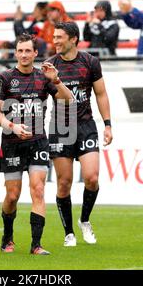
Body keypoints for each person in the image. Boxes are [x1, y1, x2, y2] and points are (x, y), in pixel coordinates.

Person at [0, 34, 73, 255]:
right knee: (13, 195)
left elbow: (68, 101)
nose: (24, 55)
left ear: (36, 53)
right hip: (11, 144)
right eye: (20, 51)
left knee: (38, 189)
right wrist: (12, 126)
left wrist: (56, 80)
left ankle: (36, 244)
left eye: (28, 51)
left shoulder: (45, 77)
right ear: (16, 53)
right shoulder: (4, 78)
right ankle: (7, 236)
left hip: (38, 142)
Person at [47, 22, 113, 247]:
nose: (55, 41)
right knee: (63, 183)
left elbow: (101, 94)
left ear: (73, 39)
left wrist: (107, 124)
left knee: (92, 178)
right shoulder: (49, 66)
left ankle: (84, 219)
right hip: (60, 128)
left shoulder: (90, 62)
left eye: (59, 37)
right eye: (54, 37)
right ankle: (69, 233)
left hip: (85, 125)